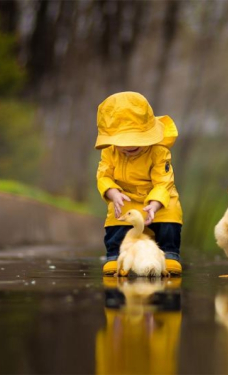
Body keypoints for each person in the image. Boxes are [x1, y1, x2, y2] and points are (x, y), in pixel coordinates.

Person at [95, 91, 183, 276]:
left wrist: (154, 204)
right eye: (122, 141)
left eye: (136, 139)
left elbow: (163, 182)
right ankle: (116, 255)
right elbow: (103, 176)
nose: (129, 146)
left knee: (170, 215)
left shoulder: (159, 151)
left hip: (157, 198)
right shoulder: (110, 152)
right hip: (125, 196)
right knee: (116, 218)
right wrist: (113, 193)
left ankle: (169, 253)